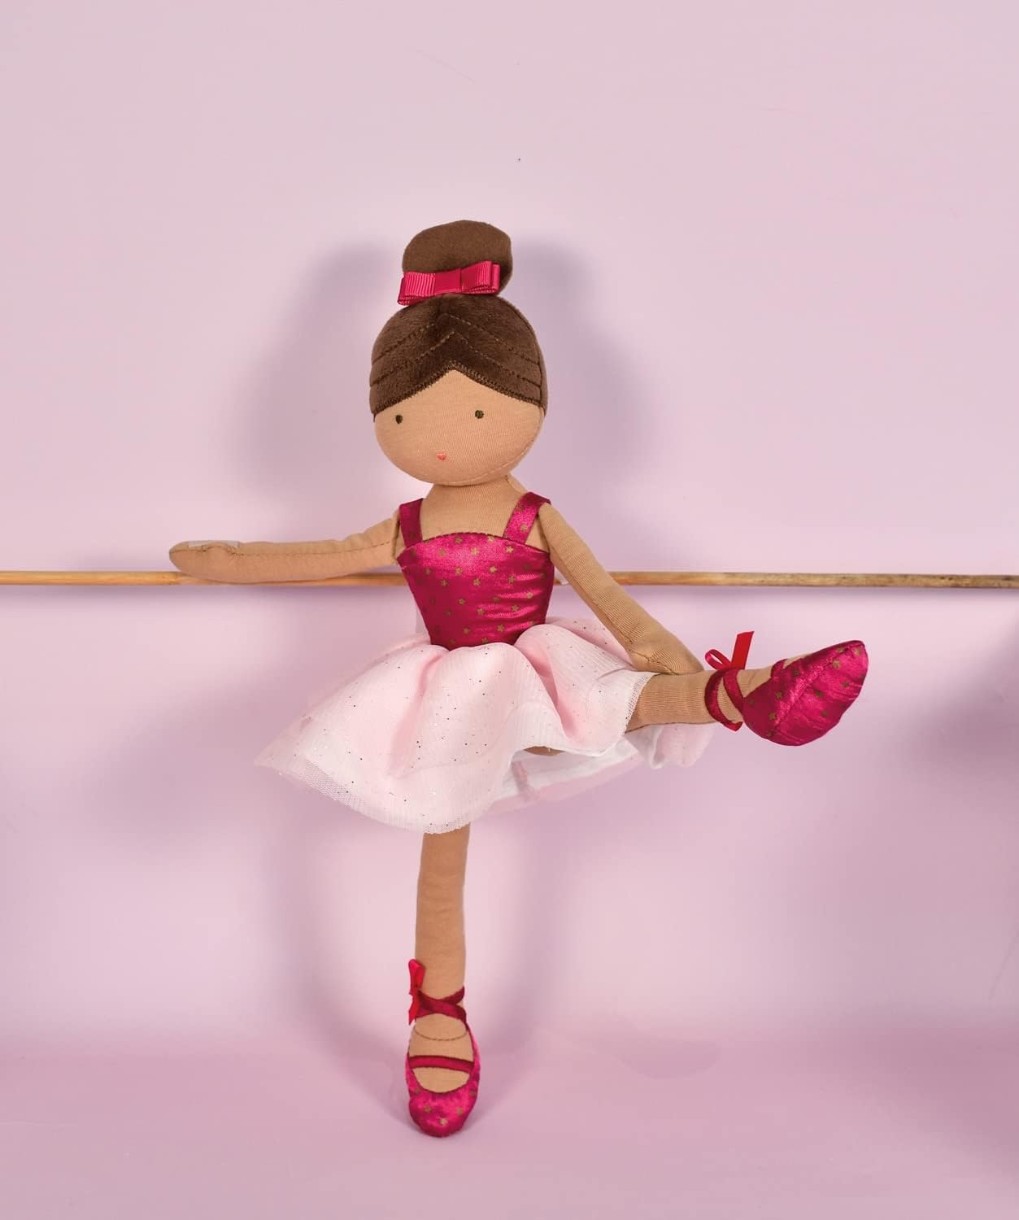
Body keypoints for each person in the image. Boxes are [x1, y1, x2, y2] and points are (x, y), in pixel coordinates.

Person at [171, 219, 868, 1137]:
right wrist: (225, 561)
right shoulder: (407, 524)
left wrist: (661, 645)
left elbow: (608, 598)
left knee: (614, 695)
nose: (440, 440)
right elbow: (324, 554)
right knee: (441, 845)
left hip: (531, 659)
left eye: (473, 414)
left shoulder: (534, 514)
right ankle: (439, 1014)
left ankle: (738, 694)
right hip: (442, 686)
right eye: (405, 418)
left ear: (526, 403)